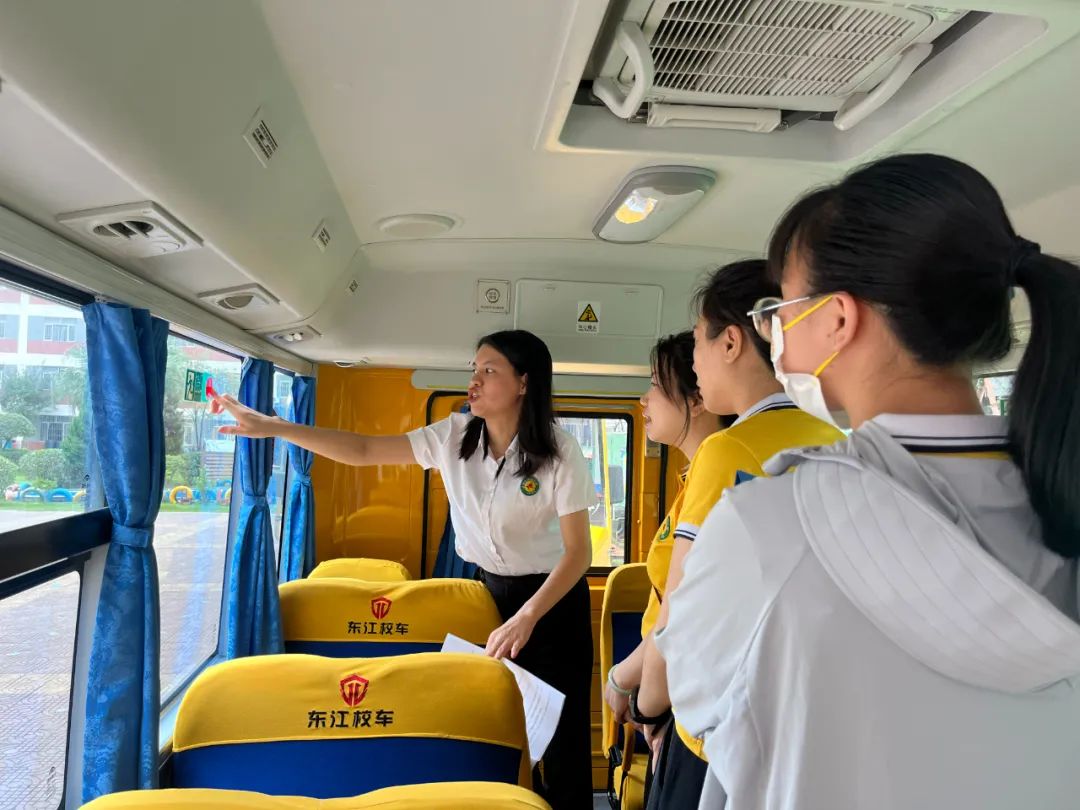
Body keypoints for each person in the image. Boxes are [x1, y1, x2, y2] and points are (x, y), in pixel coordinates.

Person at [658, 153, 1080, 810]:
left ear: (837, 320)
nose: (775, 335)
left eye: (781, 309)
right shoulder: (1063, 502)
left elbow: (698, 701)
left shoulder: (767, 527)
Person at [213, 330, 595, 809]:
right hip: (485, 598)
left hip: (552, 603)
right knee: (490, 727)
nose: (473, 381)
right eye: (473, 370)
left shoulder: (561, 452)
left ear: (524, 382)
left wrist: (528, 616)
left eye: (488, 371)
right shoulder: (454, 436)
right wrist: (277, 428)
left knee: (562, 744)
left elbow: (578, 553)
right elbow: (365, 451)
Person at [632, 261, 844, 809]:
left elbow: (677, 621)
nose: (695, 360)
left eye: (699, 341)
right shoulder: (836, 440)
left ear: (730, 342)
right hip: (798, 723)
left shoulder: (726, 452)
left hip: (713, 741)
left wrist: (648, 709)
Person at [602, 331, 727, 756]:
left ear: (696, 399)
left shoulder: (719, 469)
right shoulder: (693, 479)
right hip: (672, 688)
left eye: (655, 385)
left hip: (683, 696)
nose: (643, 400)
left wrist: (637, 693)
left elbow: (677, 620)